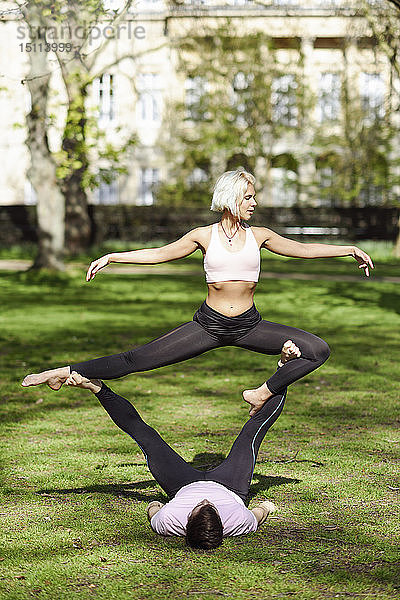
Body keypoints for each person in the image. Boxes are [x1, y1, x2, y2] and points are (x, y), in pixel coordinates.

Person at [22, 169, 373, 415]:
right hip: (208, 326)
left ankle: (261, 392)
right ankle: (65, 371)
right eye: (248, 197)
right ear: (232, 197)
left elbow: (303, 249)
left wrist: (348, 249)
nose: (254, 203)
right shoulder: (202, 236)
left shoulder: (260, 235)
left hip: (249, 325)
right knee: (137, 360)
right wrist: (113, 256)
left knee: (317, 350)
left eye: (254, 197)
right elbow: (159, 254)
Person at [64, 360, 290, 550]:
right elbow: (260, 513)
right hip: (231, 486)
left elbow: (153, 508)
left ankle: (97, 388)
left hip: (182, 486)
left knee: (145, 436)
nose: (205, 500)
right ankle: (285, 369)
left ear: (187, 521)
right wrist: (267, 508)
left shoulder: (170, 522)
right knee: (254, 430)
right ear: (223, 522)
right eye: (210, 506)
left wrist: (155, 504)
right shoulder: (238, 522)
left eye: (200, 506)